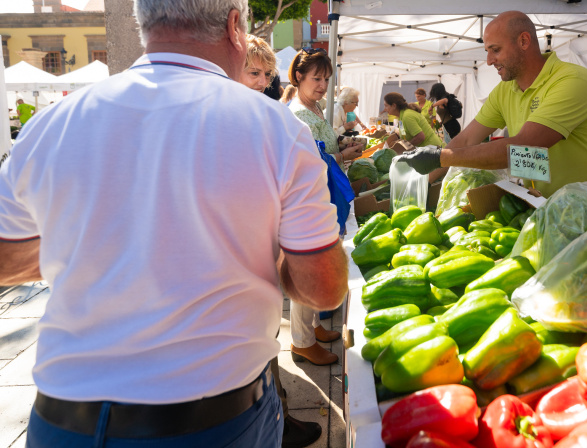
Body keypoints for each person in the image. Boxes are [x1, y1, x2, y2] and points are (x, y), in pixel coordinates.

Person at [0, 1, 349, 447]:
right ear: (234, 25)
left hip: (61, 420)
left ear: (144, 24)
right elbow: (323, 288)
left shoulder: (52, 122)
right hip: (211, 421)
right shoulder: (277, 129)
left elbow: (6, 256)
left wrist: (89, 245)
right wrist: (269, 255)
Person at [399, 11, 587, 199]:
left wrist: (440, 157)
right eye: (487, 51)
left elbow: (522, 148)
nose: (488, 61)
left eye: (495, 50)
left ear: (524, 41)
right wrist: (421, 180)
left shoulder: (572, 81)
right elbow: (467, 139)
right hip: (548, 207)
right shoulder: (506, 90)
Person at [239, 33, 324, 448]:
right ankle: (279, 420)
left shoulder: (269, 116)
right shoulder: (243, 117)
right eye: (252, 72)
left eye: (265, 74)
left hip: (263, 246)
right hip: (243, 254)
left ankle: (279, 413)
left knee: (267, 334)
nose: (259, 81)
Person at [287, 47, 362, 366]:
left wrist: (342, 145)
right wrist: (345, 155)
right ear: (299, 76)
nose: (322, 85)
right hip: (309, 197)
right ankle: (301, 341)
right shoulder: (299, 113)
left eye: (326, 79)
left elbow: (325, 147)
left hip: (323, 193)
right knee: (309, 268)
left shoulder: (314, 107)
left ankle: (313, 327)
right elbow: (310, 161)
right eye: (316, 78)